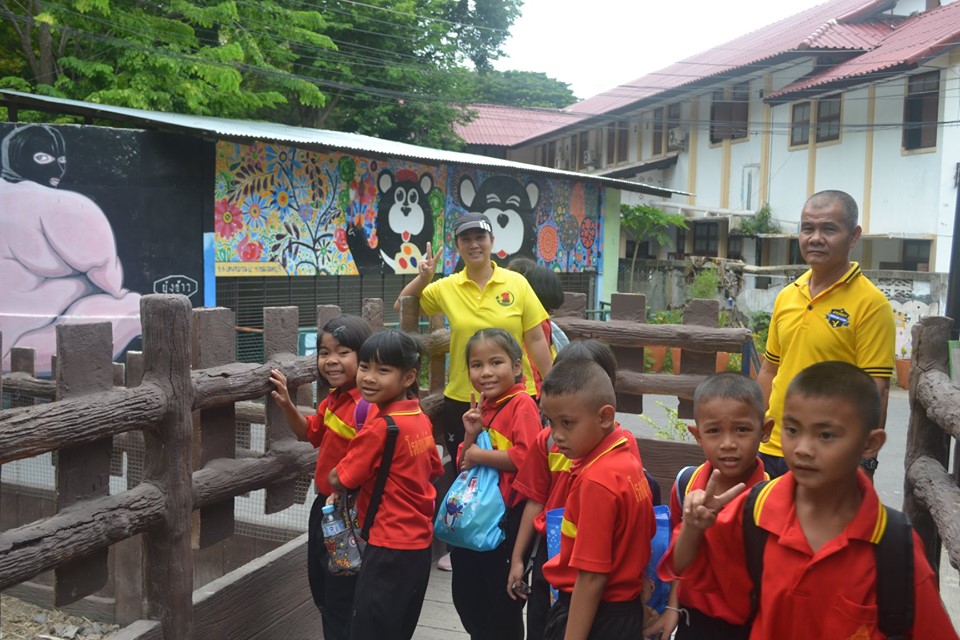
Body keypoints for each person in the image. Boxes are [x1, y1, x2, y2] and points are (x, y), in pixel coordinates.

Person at [660, 361, 959, 640]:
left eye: (826, 435)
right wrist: (694, 527)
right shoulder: (755, 511)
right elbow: (686, 568)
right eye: (792, 430)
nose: (802, 448)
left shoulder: (893, 546)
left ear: (870, 444)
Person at [395, 211, 552, 571]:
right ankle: (467, 539)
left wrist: (552, 387)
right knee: (467, 470)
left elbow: (534, 338)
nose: (474, 244)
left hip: (515, 398)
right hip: (463, 400)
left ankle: (507, 543)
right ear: (458, 246)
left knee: (517, 472)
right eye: (465, 239)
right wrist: (423, 277)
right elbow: (403, 304)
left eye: (480, 237)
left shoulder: (516, 283)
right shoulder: (448, 286)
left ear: (492, 242)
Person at [506, 339, 660, 640]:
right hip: (621, 608)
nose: (557, 435)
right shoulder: (625, 458)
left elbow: (590, 577)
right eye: (551, 422)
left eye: (567, 423)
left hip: (593, 611)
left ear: (604, 416)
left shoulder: (596, 481)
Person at [757, 190, 895, 478]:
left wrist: (866, 462)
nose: (815, 238)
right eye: (807, 228)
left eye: (829, 229)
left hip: (826, 455)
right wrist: (754, 428)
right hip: (769, 447)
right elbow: (770, 370)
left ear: (854, 236)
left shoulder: (871, 304)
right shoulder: (787, 295)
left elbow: (877, 389)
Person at [329, 329, 444, 640]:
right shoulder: (420, 418)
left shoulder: (380, 427)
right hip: (419, 546)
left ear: (408, 377)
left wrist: (337, 471)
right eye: (364, 367)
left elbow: (340, 478)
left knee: (369, 629)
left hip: (387, 545)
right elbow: (434, 468)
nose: (368, 377)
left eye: (382, 370)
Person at [0, 124, 141, 374]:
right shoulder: (60, 204)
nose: (58, 169)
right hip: (22, 346)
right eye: (43, 158)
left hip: (17, 333)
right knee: (134, 306)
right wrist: (80, 286)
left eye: (62, 161)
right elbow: (111, 281)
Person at [268, 315, 372, 640]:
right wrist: (287, 404)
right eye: (324, 352)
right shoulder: (334, 400)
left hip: (350, 513)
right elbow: (309, 433)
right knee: (324, 584)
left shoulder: (367, 406)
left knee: (341, 591)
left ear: (364, 357)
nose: (331, 360)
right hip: (326, 508)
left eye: (342, 352)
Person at [648, 373, 772, 640]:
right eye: (714, 431)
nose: (728, 444)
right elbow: (679, 564)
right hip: (695, 621)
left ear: (765, 431)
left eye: (742, 429)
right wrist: (673, 607)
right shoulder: (686, 485)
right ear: (697, 435)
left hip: (751, 626)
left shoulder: (772, 499)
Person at [451, 328, 541, 640]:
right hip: (477, 518)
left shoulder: (521, 404)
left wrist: (480, 454)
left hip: (504, 520)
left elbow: (527, 457)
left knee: (501, 605)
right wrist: (470, 435)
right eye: (477, 365)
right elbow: (464, 463)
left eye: (496, 362)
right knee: (467, 596)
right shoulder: (484, 406)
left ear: (516, 366)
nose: (486, 372)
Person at [508, 258, 569, 396]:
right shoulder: (543, 317)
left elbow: (534, 359)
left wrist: (544, 388)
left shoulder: (536, 319)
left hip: (533, 388)